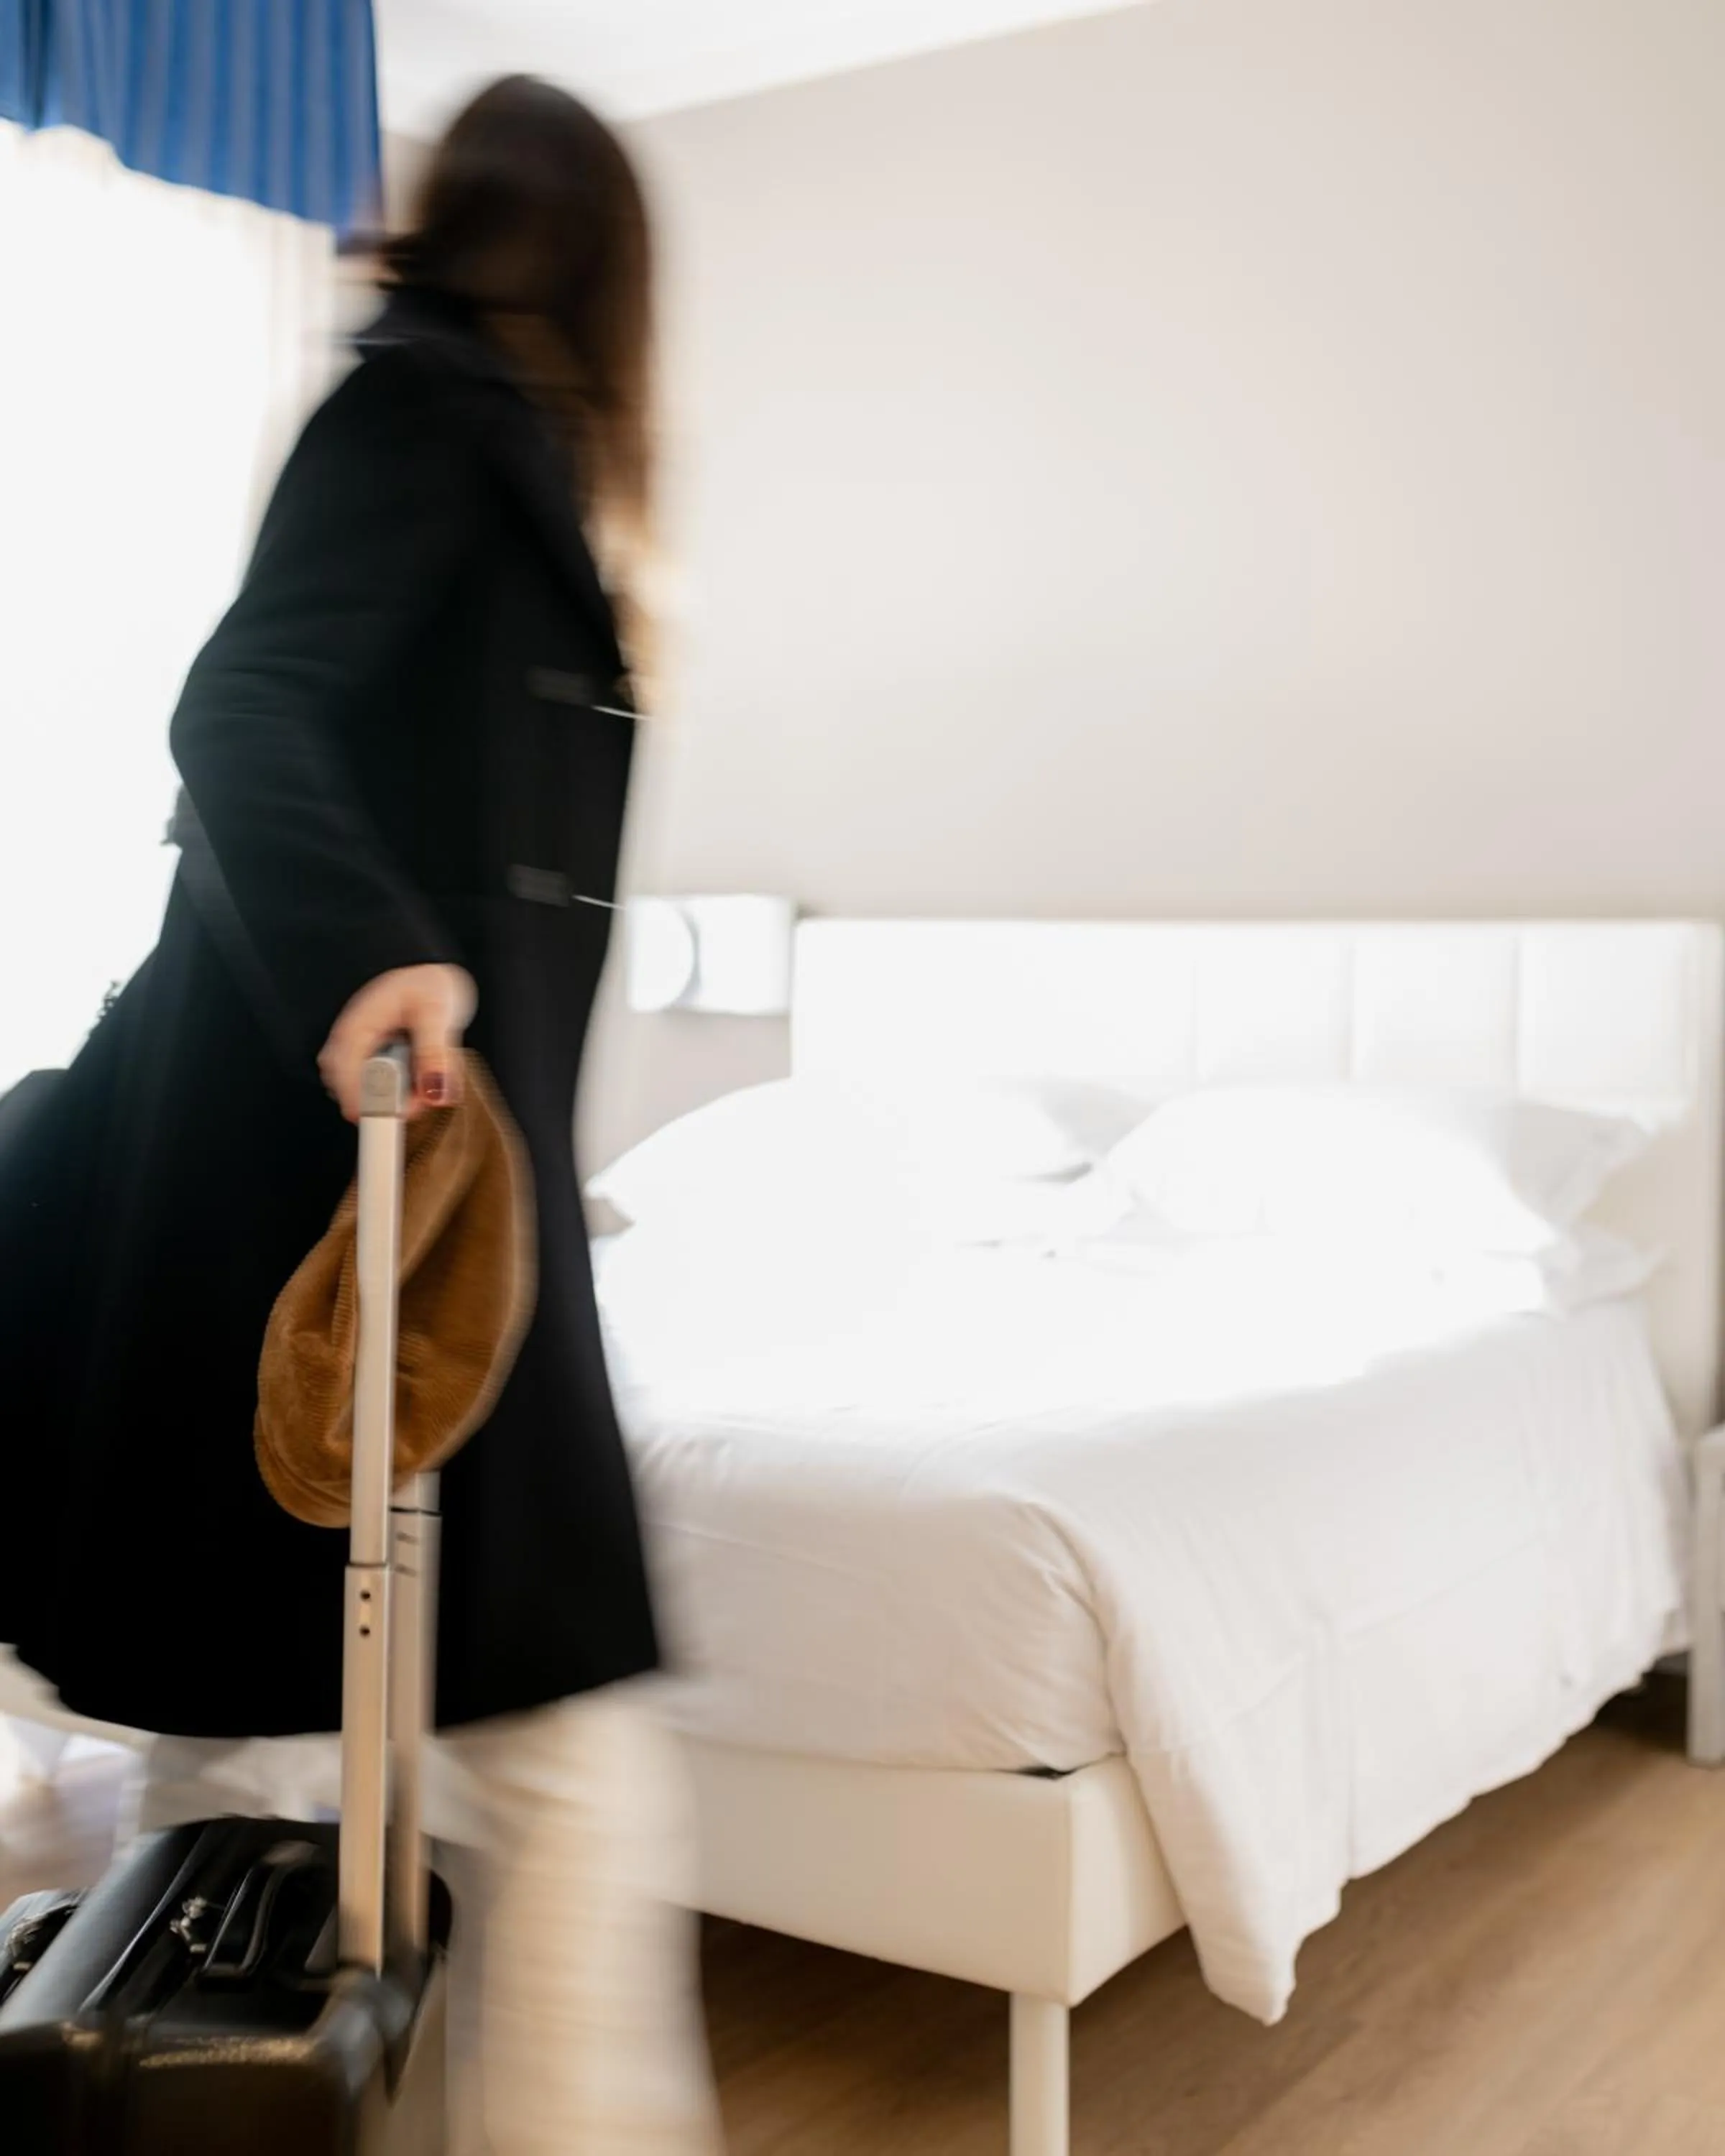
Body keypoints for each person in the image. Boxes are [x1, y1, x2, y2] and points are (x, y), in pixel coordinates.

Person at [0, 75, 719, 2154]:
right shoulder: (432, 411)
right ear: (607, 262)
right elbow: (241, 705)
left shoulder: (480, 437)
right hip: (316, 1177)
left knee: (306, 1725)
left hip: (394, 1190)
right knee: (520, 1749)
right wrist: (374, 965)